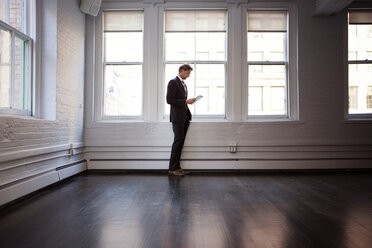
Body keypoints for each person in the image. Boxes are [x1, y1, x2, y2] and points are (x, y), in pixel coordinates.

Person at [166, 64, 196, 176]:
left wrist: (187, 102)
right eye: (187, 73)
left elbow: (180, 100)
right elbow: (169, 99)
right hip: (177, 117)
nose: (188, 76)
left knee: (180, 142)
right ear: (181, 70)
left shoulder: (183, 84)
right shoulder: (173, 82)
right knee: (178, 141)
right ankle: (172, 169)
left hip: (184, 117)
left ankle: (177, 168)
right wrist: (185, 101)